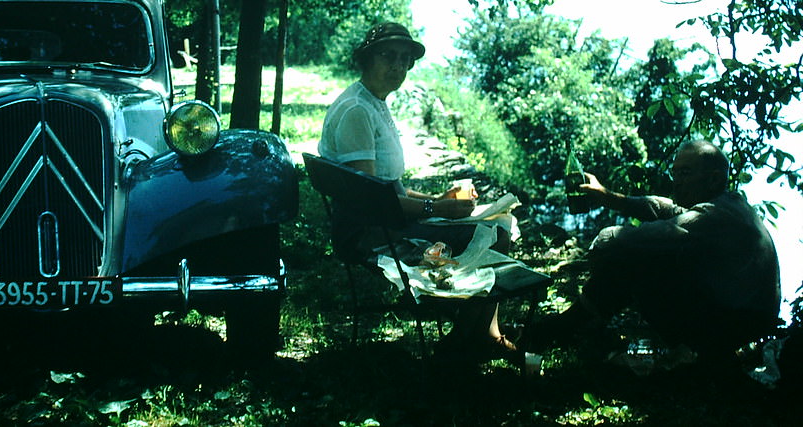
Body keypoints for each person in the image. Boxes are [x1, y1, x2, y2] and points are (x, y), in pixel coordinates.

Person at [318, 21, 518, 360]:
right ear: (366, 59)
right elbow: (370, 203)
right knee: (497, 235)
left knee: (501, 224)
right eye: (388, 56)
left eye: (405, 59)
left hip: (383, 219)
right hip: (370, 233)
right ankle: (462, 346)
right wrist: (436, 211)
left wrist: (437, 200)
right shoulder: (356, 111)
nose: (398, 66)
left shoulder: (374, 102)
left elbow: (389, 186)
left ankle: (483, 333)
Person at [534, 140, 781, 360]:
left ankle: (567, 327)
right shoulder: (729, 205)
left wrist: (601, 247)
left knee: (632, 257)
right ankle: (575, 325)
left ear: (714, 178)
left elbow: (626, 241)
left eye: (685, 174)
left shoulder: (714, 216)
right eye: (675, 174)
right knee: (642, 255)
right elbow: (662, 207)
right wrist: (607, 197)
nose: (677, 183)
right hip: (740, 320)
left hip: (733, 327)